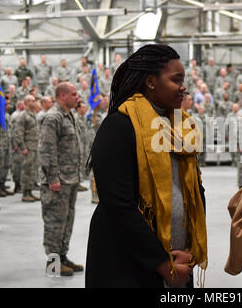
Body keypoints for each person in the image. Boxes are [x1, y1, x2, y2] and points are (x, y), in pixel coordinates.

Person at [86, 44, 207, 288]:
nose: (183, 87)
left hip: (178, 258)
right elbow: (119, 206)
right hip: (128, 264)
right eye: (176, 79)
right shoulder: (119, 127)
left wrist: (189, 252)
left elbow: (194, 191)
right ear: (151, 81)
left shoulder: (180, 128)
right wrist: (164, 265)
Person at [39, 82, 83, 277]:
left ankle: (63, 257)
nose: (77, 97)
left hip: (71, 178)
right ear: (62, 95)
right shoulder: (53, 117)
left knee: (67, 220)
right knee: (55, 222)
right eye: (74, 94)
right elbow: (47, 150)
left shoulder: (69, 116)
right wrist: (52, 177)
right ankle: (53, 263)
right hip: (58, 180)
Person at [15, 95, 40, 202]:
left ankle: (30, 190)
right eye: (32, 101)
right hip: (28, 147)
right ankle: (25, 192)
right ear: (27, 102)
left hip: (34, 146)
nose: (35, 102)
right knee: (26, 170)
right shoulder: (22, 115)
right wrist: (23, 147)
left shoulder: (33, 114)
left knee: (33, 169)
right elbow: (18, 133)